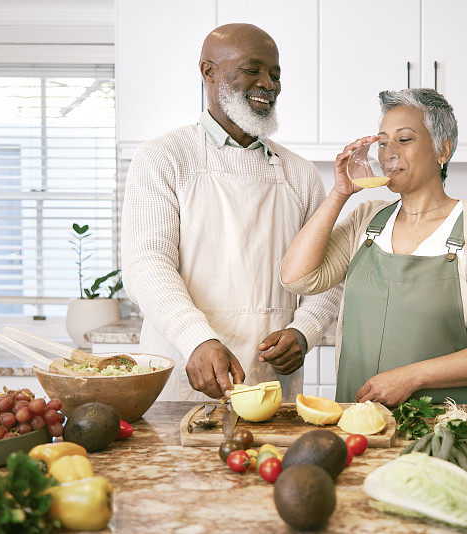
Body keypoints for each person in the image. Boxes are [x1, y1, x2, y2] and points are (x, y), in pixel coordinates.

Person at [122, 23, 341, 401]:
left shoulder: (300, 173)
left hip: (273, 382)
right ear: (208, 72)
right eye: (252, 69)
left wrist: (305, 329)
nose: (268, 83)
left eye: (275, 74)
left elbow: (327, 275)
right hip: (182, 374)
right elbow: (146, 265)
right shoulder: (163, 157)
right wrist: (197, 339)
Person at [280, 88, 467, 407]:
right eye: (383, 142)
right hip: (360, 427)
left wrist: (411, 378)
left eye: (405, 139)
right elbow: (296, 277)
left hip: (445, 430)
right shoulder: (366, 219)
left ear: (443, 150)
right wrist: (340, 193)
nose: (388, 153)